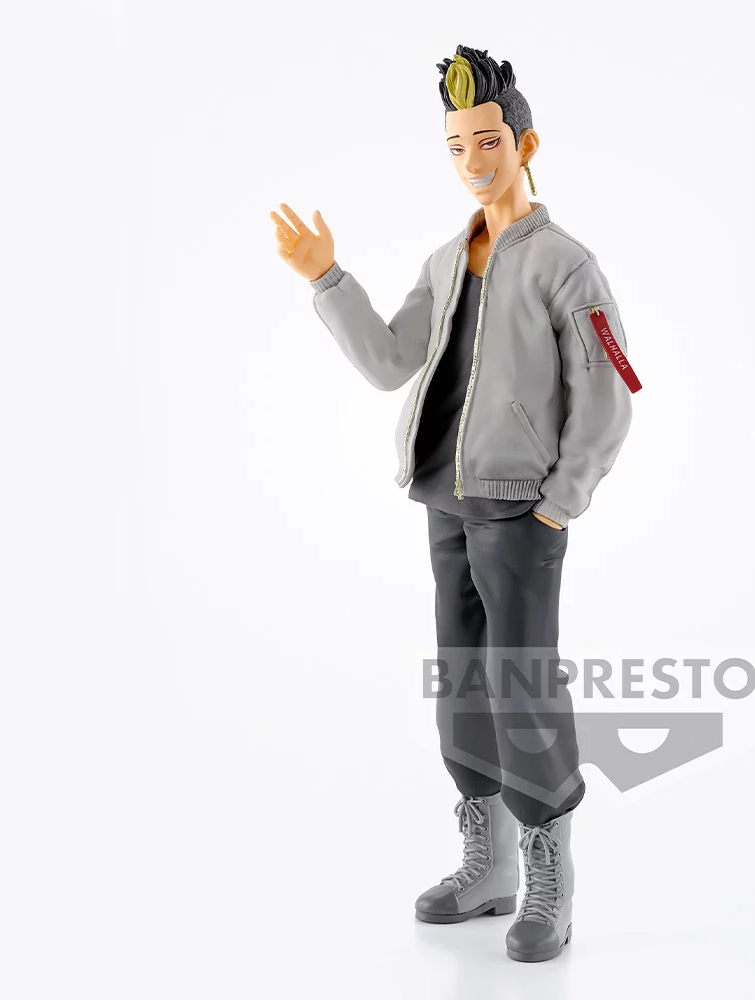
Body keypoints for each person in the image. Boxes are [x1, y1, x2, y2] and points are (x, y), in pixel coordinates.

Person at [271, 43, 636, 963]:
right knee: (463, 682)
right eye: (456, 145)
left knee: (523, 684)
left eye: (487, 141)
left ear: (525, 145)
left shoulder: (566, 265)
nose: (472, 160)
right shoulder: (444, 261)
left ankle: (549, 870)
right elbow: (391, 360)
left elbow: (609, 392)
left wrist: (562, 501)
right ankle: (489, 861)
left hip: (523, 511)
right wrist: (327, 278)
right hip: (445, 497)